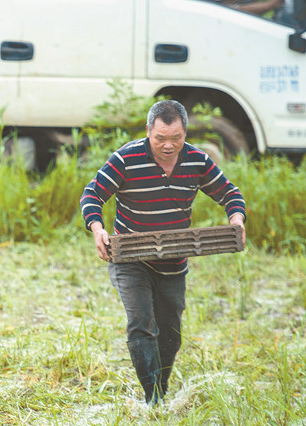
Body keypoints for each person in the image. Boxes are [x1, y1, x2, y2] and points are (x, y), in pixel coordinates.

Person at [79, 100, 246, 406]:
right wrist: (97, 228)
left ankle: (162, 387)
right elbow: (92, 193)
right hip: (130, 258)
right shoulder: (127, 158)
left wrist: (236, 219)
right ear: (148, 131)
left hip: (173, 261)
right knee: (141, 322)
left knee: (170, 331)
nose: (168, 146)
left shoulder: (197, 160)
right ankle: (152, 398)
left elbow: (230, 193)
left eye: (176, 138)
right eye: (160, 138)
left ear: (185, 133)